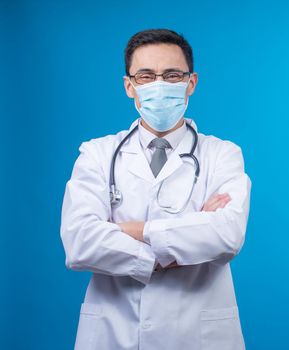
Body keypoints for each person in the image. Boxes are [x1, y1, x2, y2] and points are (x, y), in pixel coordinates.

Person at [60, 28, 251, 350]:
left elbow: (226, 235)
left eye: (172, 75)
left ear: (191, 83)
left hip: (197, 335)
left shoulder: (222, 154)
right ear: (129, 86)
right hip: (114, 332)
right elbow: (80, 242)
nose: (159, 85)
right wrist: (174, 245)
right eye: (146, 76)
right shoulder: (96, 153)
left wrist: (128, 229)